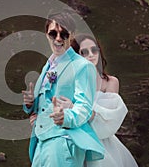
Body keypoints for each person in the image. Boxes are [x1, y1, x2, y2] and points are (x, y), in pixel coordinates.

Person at [30, 34, 138, 167]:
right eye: (84, 52)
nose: (91, 55)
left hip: (102, 142)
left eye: (94, 50)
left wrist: (74, 107)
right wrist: (40, 118)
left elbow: (110, 119)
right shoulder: (69, 80)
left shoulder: (110, 82)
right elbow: (52, 105)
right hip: (73, 139)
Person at [22, 12, 104, 167]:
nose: (58, 38)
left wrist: (66, 118)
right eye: (53, 33)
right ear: (47, 35)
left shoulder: (83, 66)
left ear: (71, 35)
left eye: (64, 34)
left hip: (64, 140)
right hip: (41, 141)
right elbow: (43, 103)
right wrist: (30, 103)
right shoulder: (48, 66)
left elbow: (84, 107)